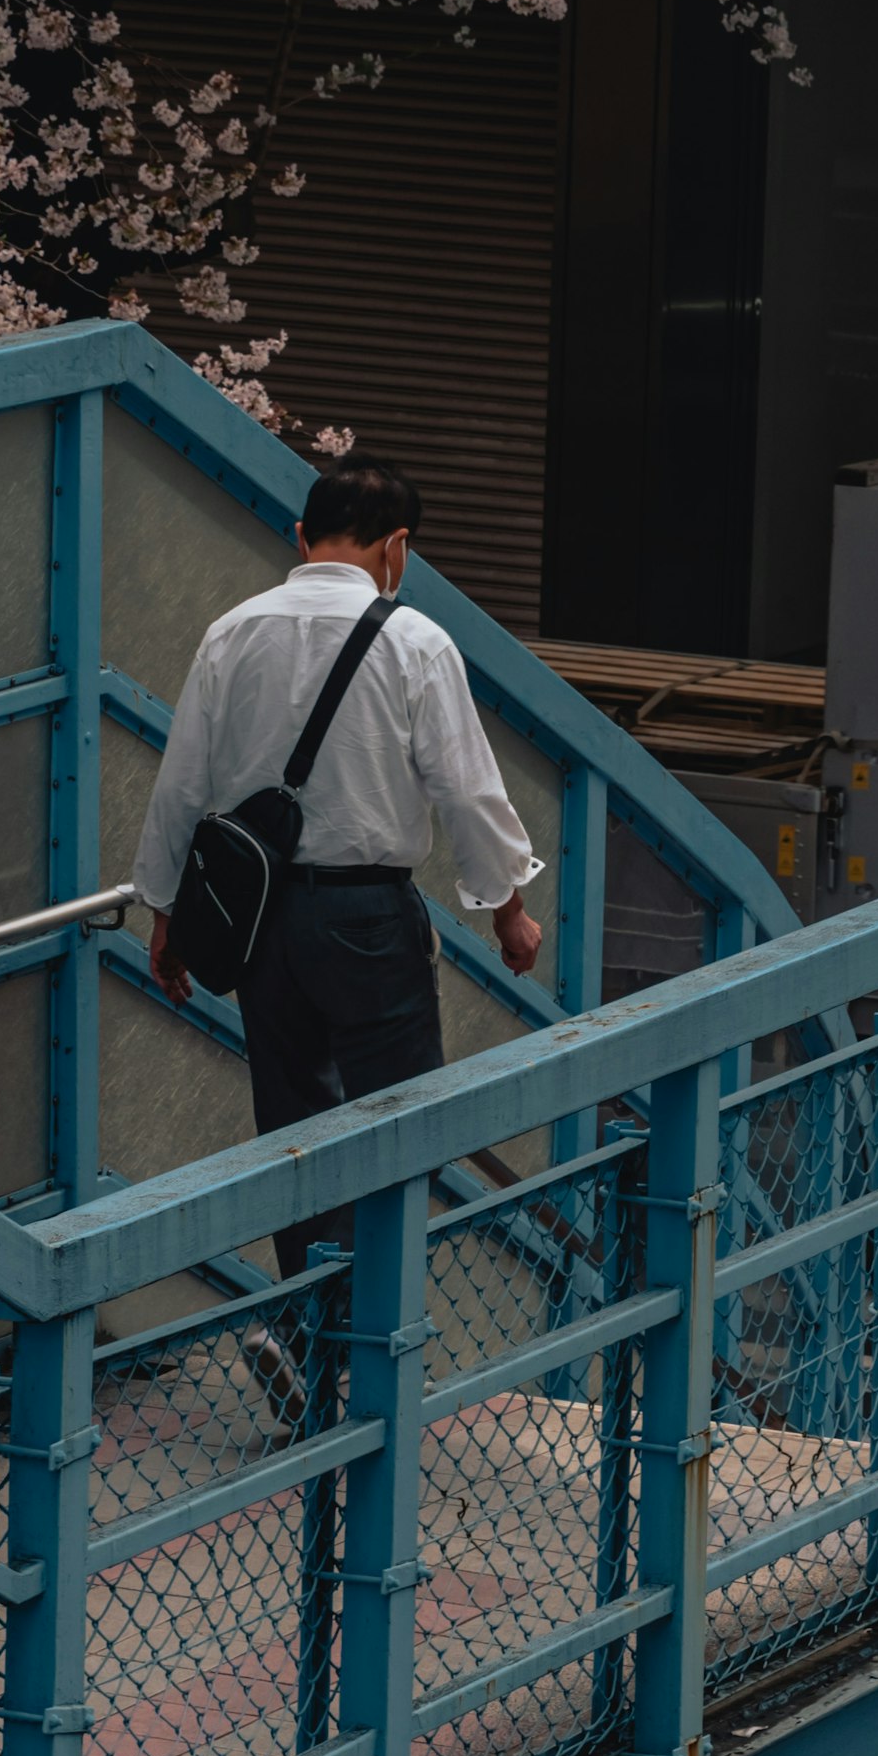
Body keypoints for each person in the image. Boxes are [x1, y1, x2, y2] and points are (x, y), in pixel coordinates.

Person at [135, 455, 545, 1259]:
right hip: (366, 916)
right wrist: (509, 910)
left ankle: (303, 1336)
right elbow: (466, 791)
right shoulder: (417, 642)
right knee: (399, 1126)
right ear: (397, 546)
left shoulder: (232, 630)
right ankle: (365, 1339)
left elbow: (180, 786)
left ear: (301, 537)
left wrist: (167, 918)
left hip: (258, 922)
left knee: (294, 1133)